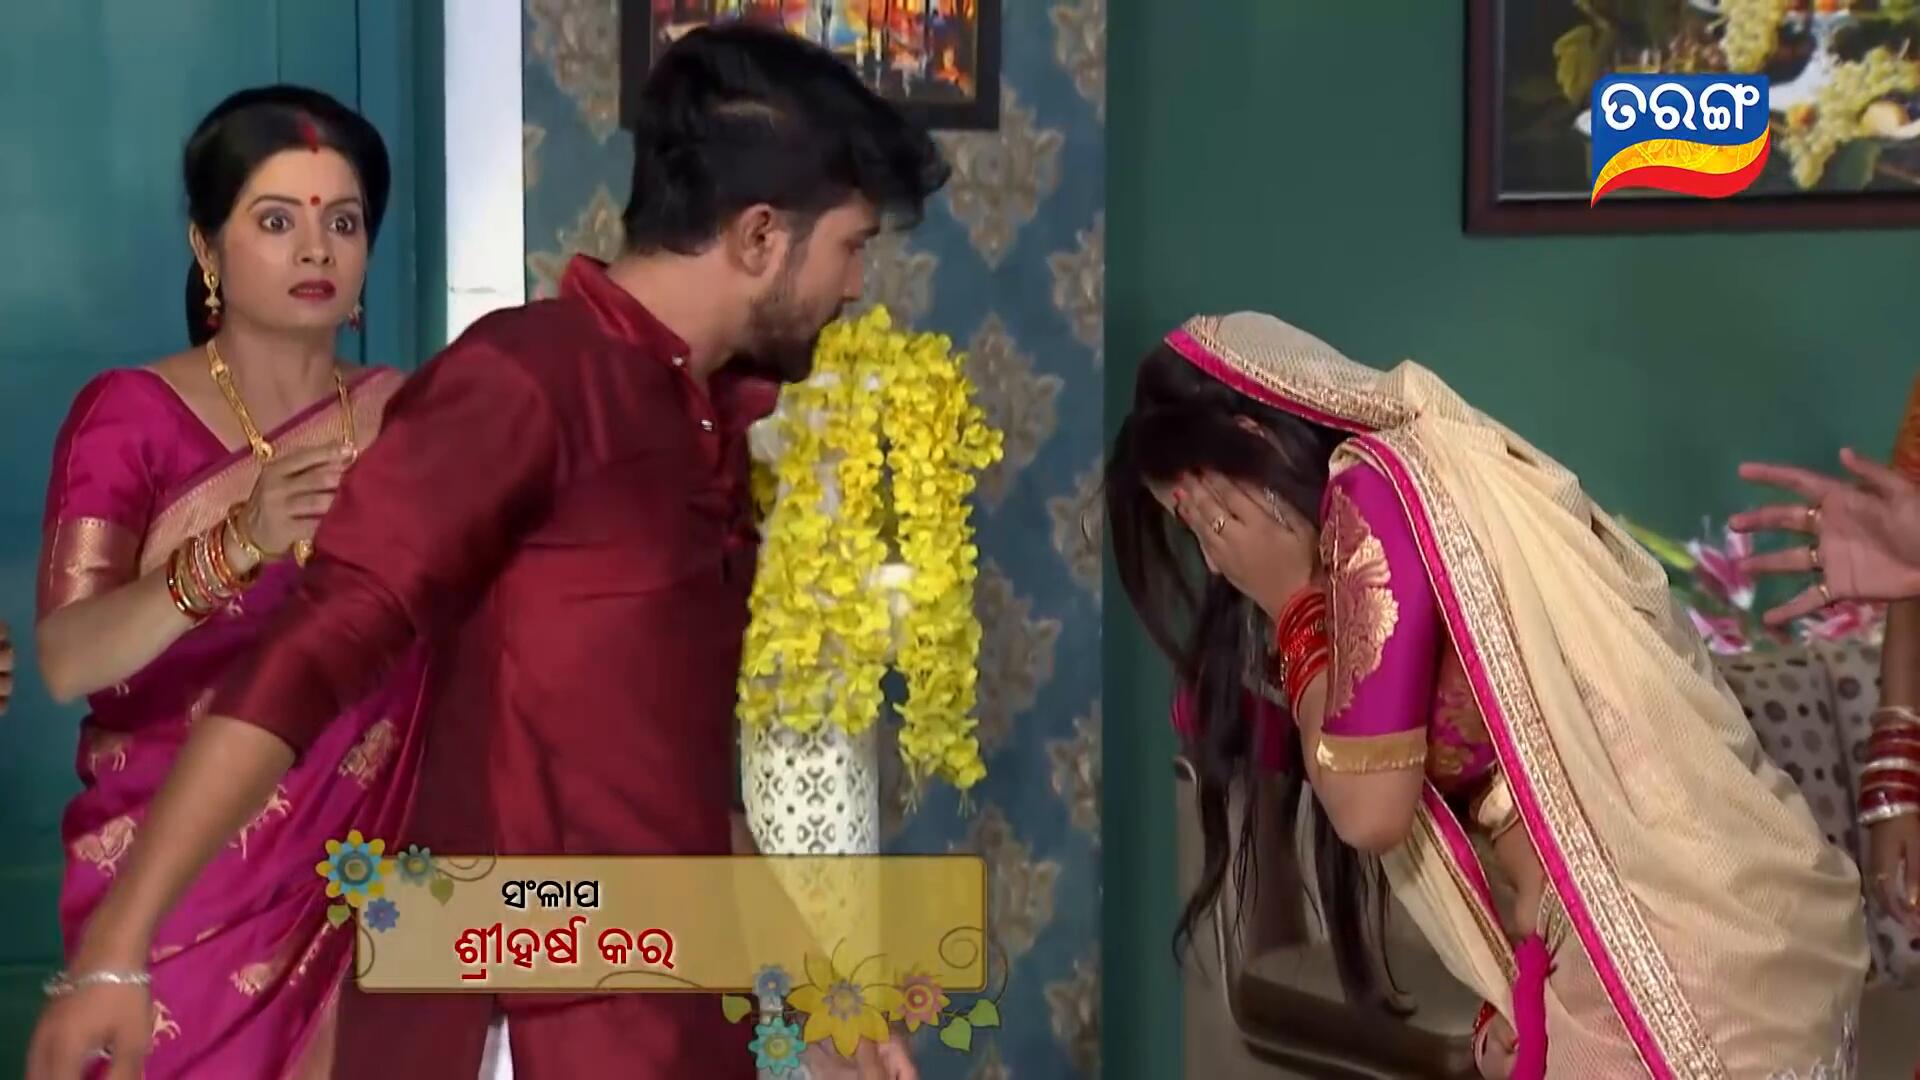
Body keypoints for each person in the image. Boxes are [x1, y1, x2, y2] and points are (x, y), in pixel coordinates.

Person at [26, 25, 947, 1080]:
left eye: (341, 221)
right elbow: (310, 656)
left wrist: (819, 992)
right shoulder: (527, 380)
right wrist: (117, 947)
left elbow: (680, 785)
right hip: (511, 1018)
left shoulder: (700, 422)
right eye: (852, 245)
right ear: (760, 237)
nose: (856, 283)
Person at [1107, 312, 1867, 1078]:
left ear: (1255, 441)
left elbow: (1369, 811)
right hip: (1685, 937)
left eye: (1207, 517)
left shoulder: (1375, 493)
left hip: (1676, 962)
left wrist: (1292, 601)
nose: (1216, 559)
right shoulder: (1428, 491)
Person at [26, 86, 425, 1079]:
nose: (316, 250)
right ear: (208, 248)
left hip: (373, 868)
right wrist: (239, 542)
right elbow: (69, 658)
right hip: (177, 888)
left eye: (343, 223)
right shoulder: (128, 416)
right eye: (277, 222)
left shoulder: (412, 418)